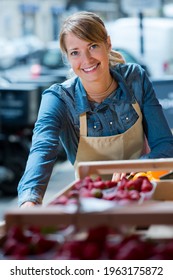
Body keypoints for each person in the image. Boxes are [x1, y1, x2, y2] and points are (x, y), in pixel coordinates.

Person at [18, 11, 173, 208]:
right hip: (91, 204)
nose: (87, 59)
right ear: (68, 57)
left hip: (141, 195)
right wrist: (30, 201)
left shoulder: (135, 79)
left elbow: (165, 145)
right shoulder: (58, 99)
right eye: (75, 52)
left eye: (92, 46)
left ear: (108, 44)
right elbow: (41, 150)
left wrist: (135, 168)